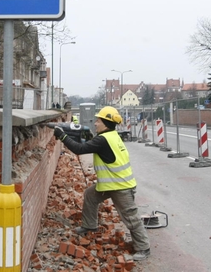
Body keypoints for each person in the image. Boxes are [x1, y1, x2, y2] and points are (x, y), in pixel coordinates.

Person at [53, 106, 150, 261]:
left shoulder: (103, 139)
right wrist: (88, 137)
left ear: (105, 123)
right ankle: (89, 225)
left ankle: (143, 247)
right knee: (90, 196)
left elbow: (79, 149)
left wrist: (62, 136)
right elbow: (94, 145)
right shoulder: (111, 135)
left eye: (98, 120)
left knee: (131, 218)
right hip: (111, 184)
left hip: (120, 186)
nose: (95, 123)